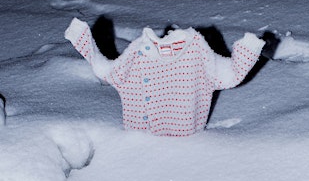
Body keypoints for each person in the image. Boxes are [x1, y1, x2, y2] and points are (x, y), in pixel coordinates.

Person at [65, 17, 265, 136]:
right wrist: (83, 41)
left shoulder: (198, 54)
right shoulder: (137, 56)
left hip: (188, 146)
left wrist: (248, 50)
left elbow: (232, 74)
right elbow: (107, 72)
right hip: (138, 146)